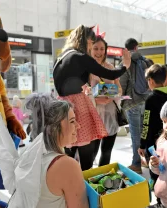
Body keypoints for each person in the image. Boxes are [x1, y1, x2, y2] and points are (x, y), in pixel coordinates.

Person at [0, 94, 95, 208]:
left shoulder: (29, 153)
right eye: (72, 121)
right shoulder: (66, 165)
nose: (78, 126)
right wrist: (115, 205)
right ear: (54, 128)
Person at [53, 25, 131, 171]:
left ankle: (69, 183)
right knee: (86, 153)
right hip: (80, 106)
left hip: (63, 107)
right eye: (91, 44)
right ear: (85, 41)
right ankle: (85, 186)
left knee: (68, 147)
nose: (91, 48)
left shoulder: (63, 56)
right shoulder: (80, 57)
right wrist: (125, 66)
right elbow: (111, 74)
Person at [137, 64, 167, 208]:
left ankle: (161, 205)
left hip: (154, 145)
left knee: (156, 172)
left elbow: (146, 124)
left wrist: (142, 144)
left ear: (150, 81)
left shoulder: (151, 99)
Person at [119, 38, 152, 174]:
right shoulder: (147, 61)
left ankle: (136, 164)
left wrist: (122, 100)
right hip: (147, 101)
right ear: (136, 47)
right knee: (146, 133)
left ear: (126, 49)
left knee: (135, 135)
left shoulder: (126, 63)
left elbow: (122, 85)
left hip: (133, 103)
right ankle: (149, 161)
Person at [89, 35, 122, 167]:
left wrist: (113, 93)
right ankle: (88, 181)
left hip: (110, 115)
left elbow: (119, 89)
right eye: (95, 48)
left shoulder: (110, 68)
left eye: (102, 49)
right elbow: (80, 92)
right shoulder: (86, 69)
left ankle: (102, 179)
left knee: (106, 152)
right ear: (90, 49)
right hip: (92, 116)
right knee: (91, 153)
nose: (99, 52)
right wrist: (95, 99)